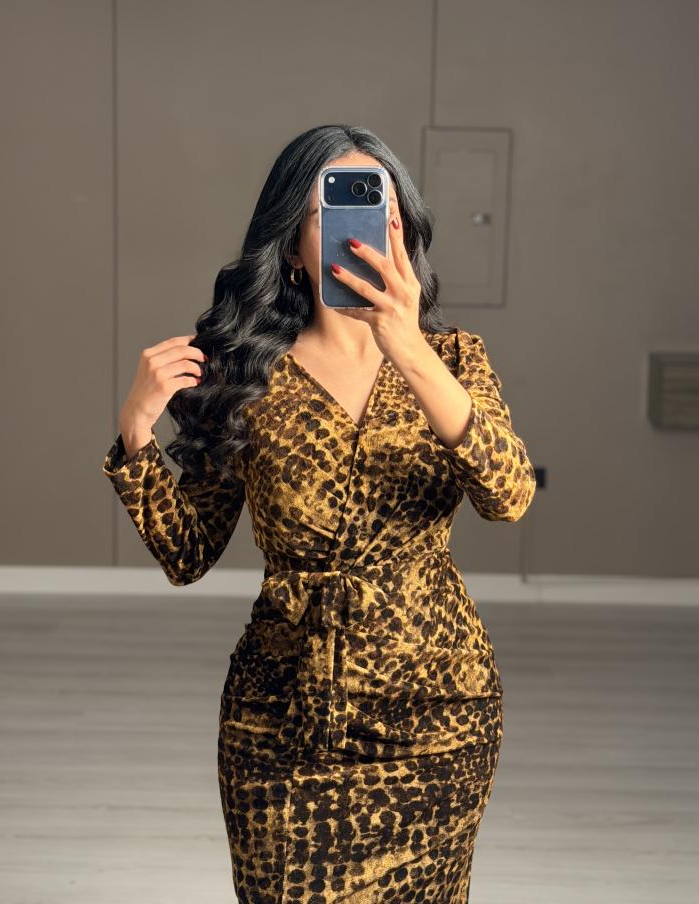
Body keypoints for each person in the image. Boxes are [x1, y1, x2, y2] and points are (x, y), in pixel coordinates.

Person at [102, 123, 536, 903]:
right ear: (294, 248)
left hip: (438, 715)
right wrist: (137, 431)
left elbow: (508, 496)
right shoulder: (242, 372)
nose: (368, 230)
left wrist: (409, 348)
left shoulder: (454, 360)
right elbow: (187, 552)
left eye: (383, 210)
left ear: (404, 230)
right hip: (281, 719)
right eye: (333, 211)